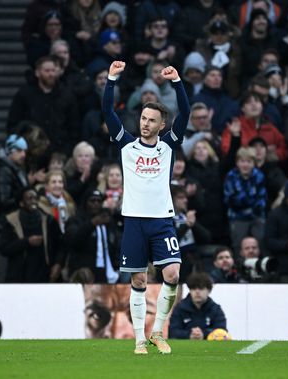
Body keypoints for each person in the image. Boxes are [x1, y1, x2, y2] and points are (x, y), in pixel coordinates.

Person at [102, 60, 190, 354]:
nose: (145, 123)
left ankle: (157, 332)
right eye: (143, 118)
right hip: (134, 221)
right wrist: (112, 79)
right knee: (138, 278)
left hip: (162, 221)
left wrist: (177, 82)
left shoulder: (169, 145)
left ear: (161, 125)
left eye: (152, 120)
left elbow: (186, 112)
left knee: (173, 275)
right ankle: (139, 338)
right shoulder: (126, 144)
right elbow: (107, 112)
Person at [168, 272, 227, 340]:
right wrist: (189, 335)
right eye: (193, 288)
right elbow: (172, 332)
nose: (197, 292)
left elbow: (222, 330)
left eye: (201, 288)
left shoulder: (216, 309)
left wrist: (204, 334)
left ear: (209, 290)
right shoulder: (180, 308)